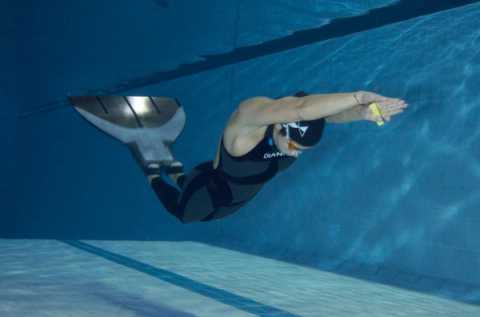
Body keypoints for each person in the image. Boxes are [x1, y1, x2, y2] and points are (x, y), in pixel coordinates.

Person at [70, 91, 407, 223]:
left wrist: (361, 113)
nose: (293, 153)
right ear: (279, 124)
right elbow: (301, 108)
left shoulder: (300, 128)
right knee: (182, 214)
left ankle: (169, 163)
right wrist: (358, 96)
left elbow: (323, 116)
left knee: (187, 179)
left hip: (233, 191)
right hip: (212, 189)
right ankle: (152, 169)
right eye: (291, 145)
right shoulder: (247, 123)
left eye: (300, 151)